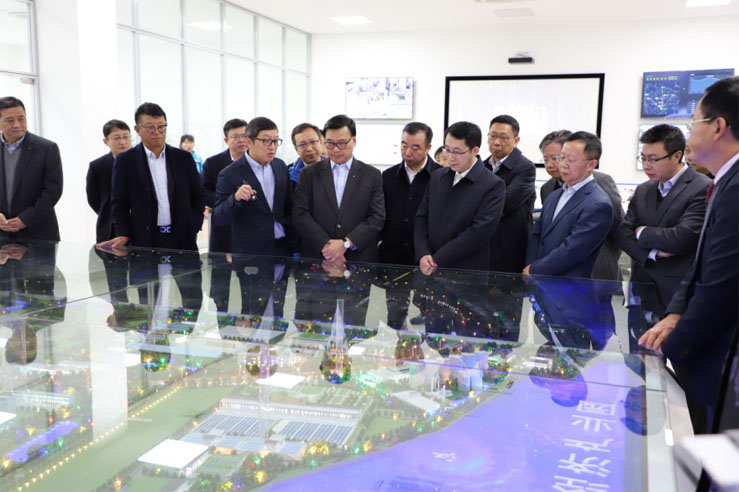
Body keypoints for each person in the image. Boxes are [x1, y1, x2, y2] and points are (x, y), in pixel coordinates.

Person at [639, 76, 739, 434]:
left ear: (718, 127)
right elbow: (702, 263)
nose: (689, 131)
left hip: (722, 355)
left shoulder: (735, 187)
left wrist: (670, 349)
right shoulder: (725, 181)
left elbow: (721, 286)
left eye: (693, 122)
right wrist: (675, 314)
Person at [617, 124, 710, 317]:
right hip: (641, 290)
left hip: (677, 294)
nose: (646, 165)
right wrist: (653, 253)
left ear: (677, 156)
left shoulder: (702, 188)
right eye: (643, 158)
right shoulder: (644, 189)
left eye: (653, 159)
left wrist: (642, 232)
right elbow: (623, 234)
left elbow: (681, 237)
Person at [101, 102, 205, 251]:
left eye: (161, 127)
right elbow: (119, 202)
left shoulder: (183, 158)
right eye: (150, 127)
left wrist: (193, 224)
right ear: (137, 130)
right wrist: (123, 233)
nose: (157, 132)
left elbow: (198, 195)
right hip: (144, 238)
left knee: (187, 267)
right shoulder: (126, 160)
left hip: (182, 237)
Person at [414, 121, 505, 272]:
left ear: (475, 150)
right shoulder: (437, 176)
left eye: (457, 152)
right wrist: (423, 253)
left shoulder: (493, 185)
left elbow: (478, 233)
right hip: (428, 266)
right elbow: (421, 218)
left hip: (466, 272)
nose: (450, 158)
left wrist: (436, 259)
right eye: (447, 150)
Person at [292, 114, 385, 263]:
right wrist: (327, 246)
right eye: (330, 143)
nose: (335, 149)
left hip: (358, 258)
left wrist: (346, 244)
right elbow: (300, 214)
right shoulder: (308, 174)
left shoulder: (372, 175)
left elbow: (376, 217)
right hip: (318, 257)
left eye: (342, 143)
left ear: (354, 141)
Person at [525, 131, 612, 278]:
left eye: (571, 160)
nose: (563, 165)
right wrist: (531, 267)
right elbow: (536, 236)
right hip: (540, 280)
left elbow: (573, 250)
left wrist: (536, 269)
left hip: (570, 284)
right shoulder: (553, 195)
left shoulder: (598, 203)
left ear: (591, 164)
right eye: (562, 158)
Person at [213, 116, 294, 256]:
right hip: (250, 253)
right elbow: (218, 217)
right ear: (249, 142)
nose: (272, 147)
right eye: (266, 141)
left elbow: (288, 205)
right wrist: (235, 199)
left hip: (282, 247)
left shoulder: (280, 166)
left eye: (275, 141)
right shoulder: (230, 173)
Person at [0, 96, 63, 241]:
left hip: (38, 232)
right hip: (2, 233)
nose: (17, 124)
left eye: (21, 119)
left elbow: (53, 190)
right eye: (10, 120)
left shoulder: (47, 148)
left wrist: (26, 219)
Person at [380, 121, 440, 266]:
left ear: (428, 148)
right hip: (391, 258)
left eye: (415, 148)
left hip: (426, 258)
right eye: (404, 145)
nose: (407, 152)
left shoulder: (440, 177)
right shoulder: (388, 176)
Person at [482, 115, 536, 273]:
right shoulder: (481, 166)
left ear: (516, 140)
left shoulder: (526, 168)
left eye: (504, 137)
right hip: (483, 245)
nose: (496, 142)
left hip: (509, 248)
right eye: (492, 136)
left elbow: (505, 203)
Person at [201, 118, 248, 253]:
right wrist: (230, 201)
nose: (241, 140)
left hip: (249, 225)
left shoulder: (258, 162)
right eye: (235, 137)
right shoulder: (212, 163)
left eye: (244, 136)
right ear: (226, 140)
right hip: (223, 225)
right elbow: (204, 191)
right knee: (221, 264)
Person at [86, 119, 132, 243]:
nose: (122, 142)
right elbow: (93, 199)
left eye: (126, 137)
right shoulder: (97, 166)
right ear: (106, 141)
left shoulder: (142, 162)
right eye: (116, 138)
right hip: (110, 226)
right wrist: (110, 214)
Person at [288, 122, 324, 191]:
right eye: (302, 144)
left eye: (313, 142)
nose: (309, 149)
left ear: (321, 142)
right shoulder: (288, 178)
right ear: (296, 149)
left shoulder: (335, 169)